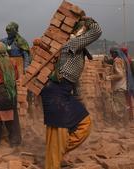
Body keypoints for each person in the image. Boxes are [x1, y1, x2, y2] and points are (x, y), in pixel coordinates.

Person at [41, 17, 102, 169]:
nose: (86, 33)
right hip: (56, 92)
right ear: (79, 31)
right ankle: (53, 160)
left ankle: (57, 151)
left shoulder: (76, 47)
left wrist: (77, 96)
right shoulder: (73, 43)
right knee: (58, 134)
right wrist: (89, 21)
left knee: (85, 123)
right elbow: (97, 31)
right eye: (83, 30)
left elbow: (72, 78)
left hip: (63, 92)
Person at [106, 47, 134, 124]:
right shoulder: (123, 60)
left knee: (119, 107)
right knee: (122, 105)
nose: (111, 55)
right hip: (122, 86)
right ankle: (124, 122)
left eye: (112, 53)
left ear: (116, 53)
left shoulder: (117, 61)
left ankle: (121, 124)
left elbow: (120, 75)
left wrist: (108, 77)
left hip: (119, 87)